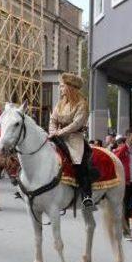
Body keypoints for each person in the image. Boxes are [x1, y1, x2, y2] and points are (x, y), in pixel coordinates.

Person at [48, 73, 94, 209]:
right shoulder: (61, 103)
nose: (60, 89)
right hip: (57, 137)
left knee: (79, 163)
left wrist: (58, 132)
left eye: (62, 86)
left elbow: (76, 124)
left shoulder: (82, 103)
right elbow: (53, 119)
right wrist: (52, 132)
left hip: (74, 138)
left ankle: (86, 195)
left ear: (69, 88)